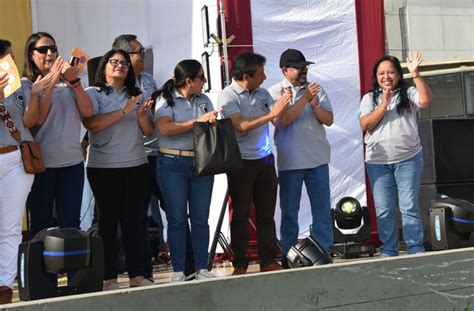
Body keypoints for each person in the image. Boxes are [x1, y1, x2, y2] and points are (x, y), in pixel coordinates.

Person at [84, 49, 154, 289]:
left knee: (133, 221)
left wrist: (141, 114)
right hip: (103, 166)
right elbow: (92, 124)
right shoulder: (93, 94)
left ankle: (136, 275)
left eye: (124, 63)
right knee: (108, 222)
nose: (120, 66)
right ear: (104, 67)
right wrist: (124, 111)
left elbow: (148, 131)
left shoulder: (137, 93)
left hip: (135, 163)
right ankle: (108, 277)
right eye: (114, 62)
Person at [217, 51, 291, 275]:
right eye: (261, 73)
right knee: (240, 213)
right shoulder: (228, 95)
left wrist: (286, 104)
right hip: (241, 161)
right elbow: (239, 126)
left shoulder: (262, 93)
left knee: (266, 213)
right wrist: (272, 115)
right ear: (247, 75)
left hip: (265, 159)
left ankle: (268, 259)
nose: (265, 77)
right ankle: (240, 262)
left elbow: (278, 120)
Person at [359, 52, 432, 257]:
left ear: (399, 75)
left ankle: (414, 248)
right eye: (381, 73)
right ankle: (389, 250)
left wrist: (415, 74)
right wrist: (383, 104)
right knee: (384, 209)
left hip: (408, 159)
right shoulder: (370, 97)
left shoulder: (408, 93)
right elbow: (365, 124)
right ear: (375, 76)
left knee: (408, 206)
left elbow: (426, 100)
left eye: (391, 72)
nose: (386, 76)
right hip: (377, 162)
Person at [22, 32, 93, 239]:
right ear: (31, 54)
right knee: (41, 223)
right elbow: (37, 120)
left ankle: (72, 271)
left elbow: (88, 112)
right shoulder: (27, 84)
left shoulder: (69, 81)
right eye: (43, 50)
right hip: (41, 164)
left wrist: (75, 82)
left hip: (71, 163)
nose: (50, 53)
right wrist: (49, 82)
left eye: (53, 49)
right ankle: (43, 272)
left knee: (71, 223)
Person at [268, 49, 334, 266]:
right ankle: (289, 254)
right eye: (299, 67)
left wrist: (313, 103)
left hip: (317, 159)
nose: (304, 70)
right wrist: (303, 99)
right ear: (285, 70)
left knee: (322, 210)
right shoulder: (274, 92)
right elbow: (281, 122)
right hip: (290, 162)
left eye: (305, 66)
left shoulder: (316, 89)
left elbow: (329, 119)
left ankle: (324, 251)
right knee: (289, 212)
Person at [0, 40, 54, 304]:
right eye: (6, 58)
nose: (10, 62)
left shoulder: (19, 84)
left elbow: (30, 122)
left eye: (10, 58)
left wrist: (34, 94)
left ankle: (4, 286)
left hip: (18, 158)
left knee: (10, 227)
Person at [154, 59, 218, 282]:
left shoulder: (204, 99)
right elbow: (164, 128)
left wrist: (212, 124)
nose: (205, 82)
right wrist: (197, 122)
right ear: (189, 80)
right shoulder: (166, 99)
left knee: (200, 218)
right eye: (201, 77)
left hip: (201, 162)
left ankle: (202, 267)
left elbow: (211, 128)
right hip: (172, 162)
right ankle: (178, 270)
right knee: (177, 219)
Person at [112, 34, 160, 282]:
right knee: (133, 216)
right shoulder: (114, 84)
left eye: (143, 52)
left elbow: (153, 117)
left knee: (162, 213)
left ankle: (159, 265)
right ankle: (134, 270)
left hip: (155, 154)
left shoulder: (149, 82)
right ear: (124, 57)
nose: (144, 57)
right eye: (139, 53)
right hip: (126, 159)